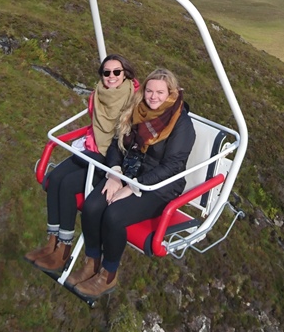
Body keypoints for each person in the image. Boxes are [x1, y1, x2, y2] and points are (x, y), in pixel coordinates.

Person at [65, 68, 195, 299]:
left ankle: (108, 274)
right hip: (127, 173)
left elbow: (173, 166)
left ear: (171, 93)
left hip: (159, 186)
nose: (153, 97)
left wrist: (133, 187)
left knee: (114, 215)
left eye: (160, 92)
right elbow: (117, 144)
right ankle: (91, 262)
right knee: (93, 206)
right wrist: (115, 174)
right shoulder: (137, 112)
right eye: (149, 91)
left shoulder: (180, 123)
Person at [25, 54, 139, 274]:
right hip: (92, 148)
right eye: (107, 73)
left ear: (125, 73)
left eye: (117, 72)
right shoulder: (99, 94)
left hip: (112, 157)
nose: (112, 77)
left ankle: (64, 249)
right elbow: (95, 123)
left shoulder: (133, 97)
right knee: (55, 178)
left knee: (68, 185)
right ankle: (52, 243)